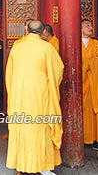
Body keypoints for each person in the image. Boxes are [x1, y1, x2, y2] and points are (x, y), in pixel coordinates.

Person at [6, 20, 64, 175]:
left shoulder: (16, 49)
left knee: (22, 128)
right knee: (40, 129)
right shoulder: (47, 48)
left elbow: (9, 75)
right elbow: (58, 71)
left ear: (27, 30)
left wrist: (14, 93)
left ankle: (20, 164)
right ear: (41, 32)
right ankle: (43, 167)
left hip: (19, 97)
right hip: (40, 96)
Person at [81, 19, 98, 150]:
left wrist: (86, 63)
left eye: (91, 25)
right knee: (82, 110)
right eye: (87, 25)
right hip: (82, 83)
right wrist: (88, 64)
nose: (90, 27)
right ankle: (82, 137)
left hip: (95, 83)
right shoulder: (75, 43)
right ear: (79, 28)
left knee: (95, 108)